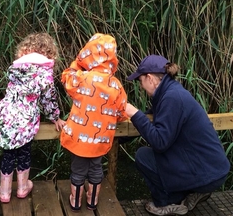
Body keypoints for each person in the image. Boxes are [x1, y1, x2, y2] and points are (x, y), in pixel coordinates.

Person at [125, 54, 230, 215]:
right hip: (211, 166)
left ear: (150, 78)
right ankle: (192, 192)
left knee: (143, 156)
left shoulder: (172, 98)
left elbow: (159, 142)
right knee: (158, 155)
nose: (141, 86)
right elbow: (150, 120)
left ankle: (168, 202)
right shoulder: (171, 92)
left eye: (141, 81)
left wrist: (133, 112)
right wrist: (119, 137)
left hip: (208, 171)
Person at [0, 33, 65, 203]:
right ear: (49, 53)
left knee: (8, 153)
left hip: (6, 114)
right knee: (24, 153)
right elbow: (48, 100)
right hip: (25, 119)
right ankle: (22, 188)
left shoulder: (16, 68)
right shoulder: (45, 75)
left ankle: (4, 192)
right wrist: (55, 117)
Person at [60, 33, 129, 211]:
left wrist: (77, 62)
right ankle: (92, 202)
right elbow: (122, 111)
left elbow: (66, 77)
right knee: (96, 169)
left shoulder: (82, 78)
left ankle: (75, 203)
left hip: (79, 139)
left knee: (78, 170)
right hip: (100, 139)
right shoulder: (115, 85)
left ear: (88, 54)